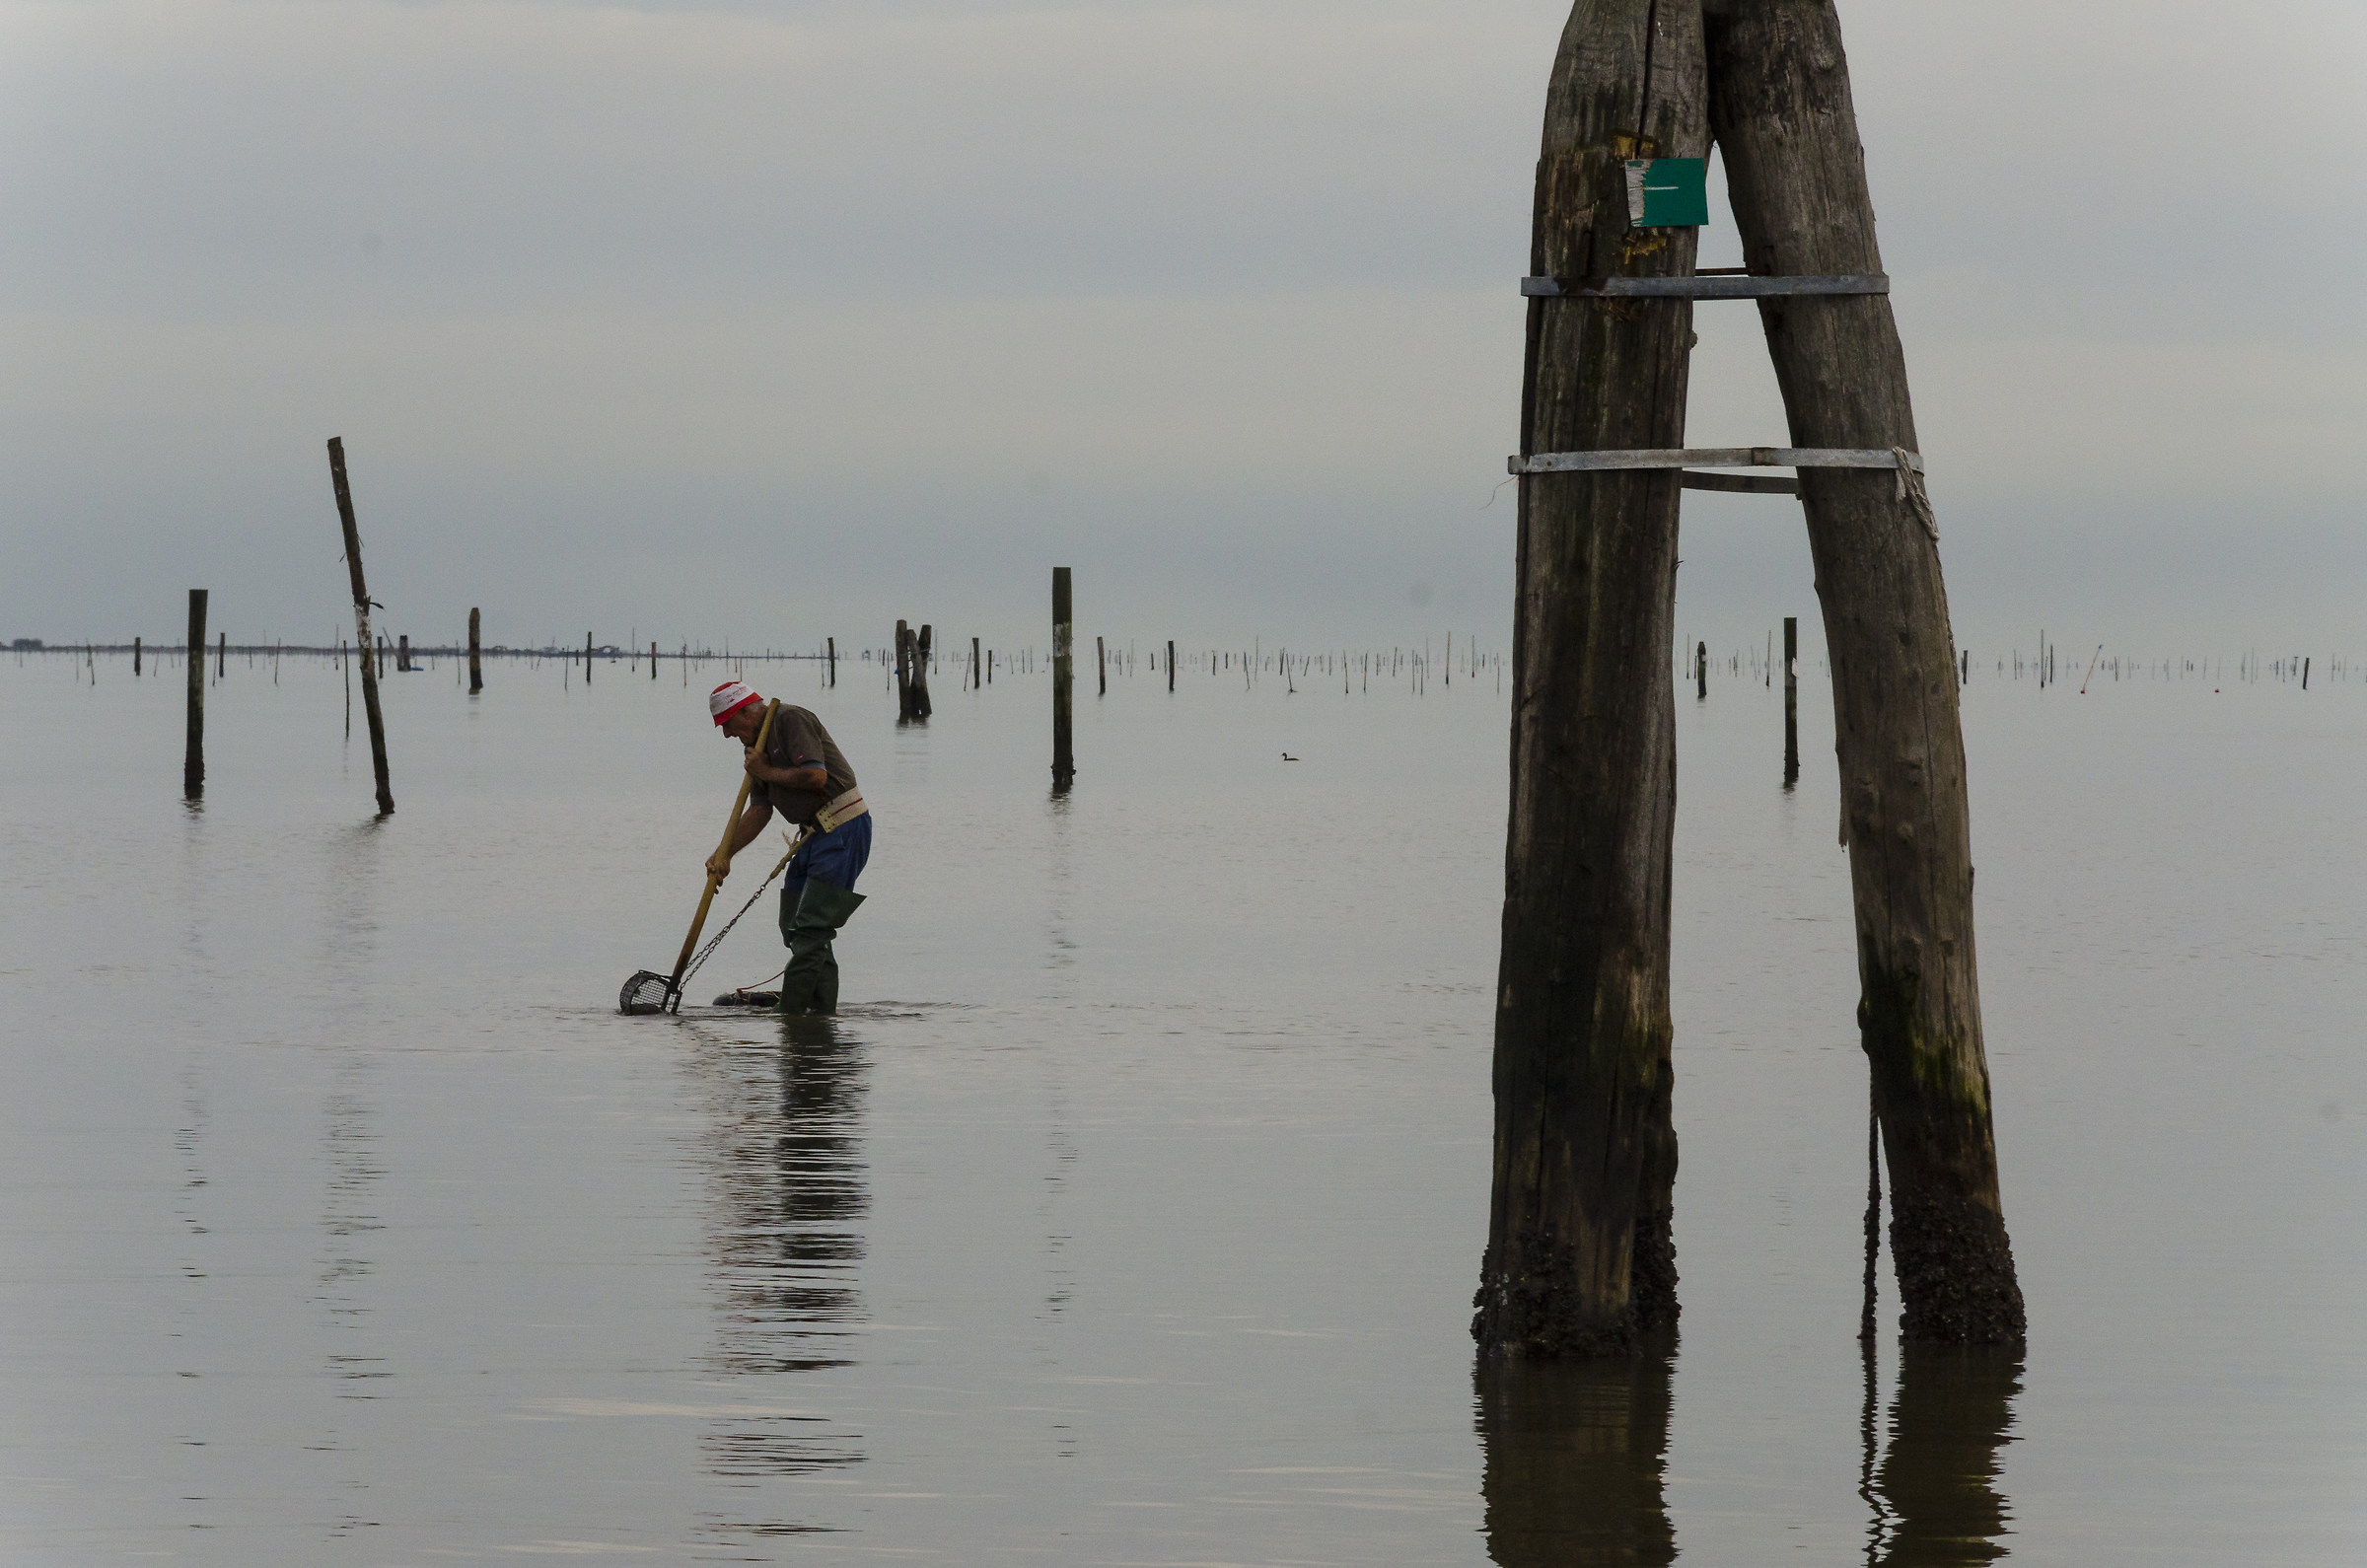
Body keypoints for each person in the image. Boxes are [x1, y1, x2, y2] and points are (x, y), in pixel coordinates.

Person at [704, 680, 871, 1014]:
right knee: (793, 924)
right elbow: (759, 810)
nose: (726, 735)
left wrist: (766, 769)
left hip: (842, 827)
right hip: (812, 833)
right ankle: (819, 1013)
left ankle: (792, 1018)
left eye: (727, 725)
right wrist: (724, 853)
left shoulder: (791, 719)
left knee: (812, 927)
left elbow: (815, 777)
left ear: (747, 712)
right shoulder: (756, 747)